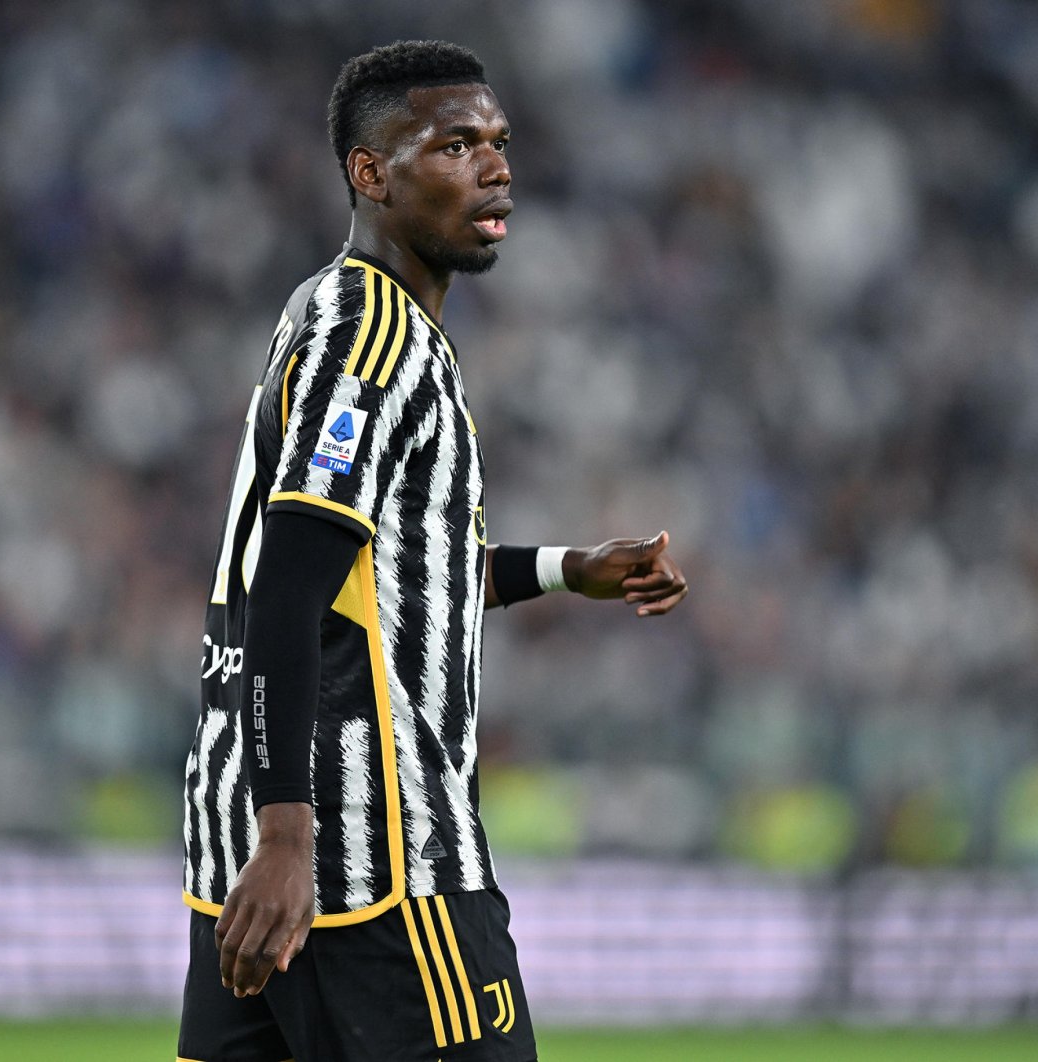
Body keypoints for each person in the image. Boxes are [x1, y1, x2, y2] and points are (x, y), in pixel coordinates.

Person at [178, 39, 689, 1062]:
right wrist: (290, 838)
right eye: (455, 145)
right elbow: (289, 583)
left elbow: (391, 578)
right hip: (370, 862)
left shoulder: (329, 315)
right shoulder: (373, 336)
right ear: (370, 174)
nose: (495, 166)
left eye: (498, 142)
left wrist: (562, 567)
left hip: (248, 845)